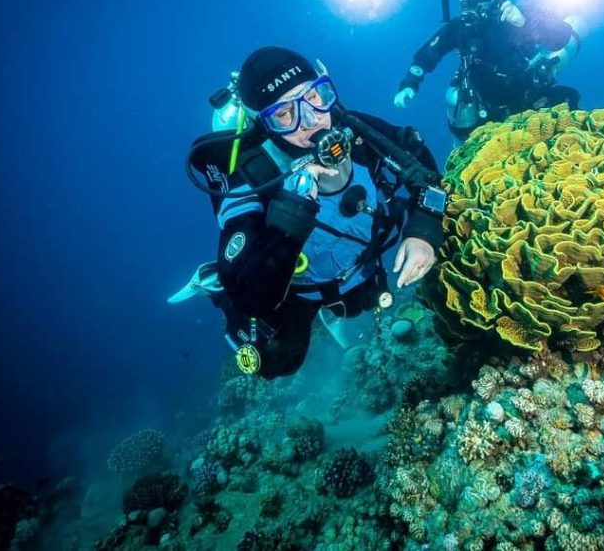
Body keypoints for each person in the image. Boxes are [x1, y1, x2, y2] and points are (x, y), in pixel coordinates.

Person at [175, 47, 447, 379]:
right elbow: (253, 297)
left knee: (361, 302)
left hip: (355, 260)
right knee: (276, 361)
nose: (312, 119)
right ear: (265, 123)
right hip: (295, 288)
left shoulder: (356, 132)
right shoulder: (252, 180)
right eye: (285, 114)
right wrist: (294, 209)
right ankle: (213, 282)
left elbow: (423, 170)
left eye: (315, 96)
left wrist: (424, 232)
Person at [393, 0, 583, 140]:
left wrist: (525, 25)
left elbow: (561, 38)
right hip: (484, 108)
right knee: (454, 98)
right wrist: (410, 83)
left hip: (529, 95)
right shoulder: (460, 28)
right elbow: (427, 55)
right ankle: (464, 153)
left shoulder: (518, 15)